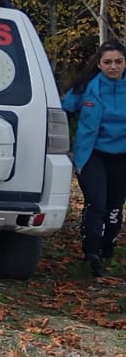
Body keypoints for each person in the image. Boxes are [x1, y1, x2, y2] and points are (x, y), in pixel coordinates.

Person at [64, 40, 126, 276]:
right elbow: (62, 111)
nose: (113, 66)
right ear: (99, 64)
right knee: (96, 204)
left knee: (113, 208)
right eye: (108, 62)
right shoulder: (85, 88)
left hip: (122, 156)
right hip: (92, 155)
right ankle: (91, 253)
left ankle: (107, 244)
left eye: (118, 62)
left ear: (124, 64)